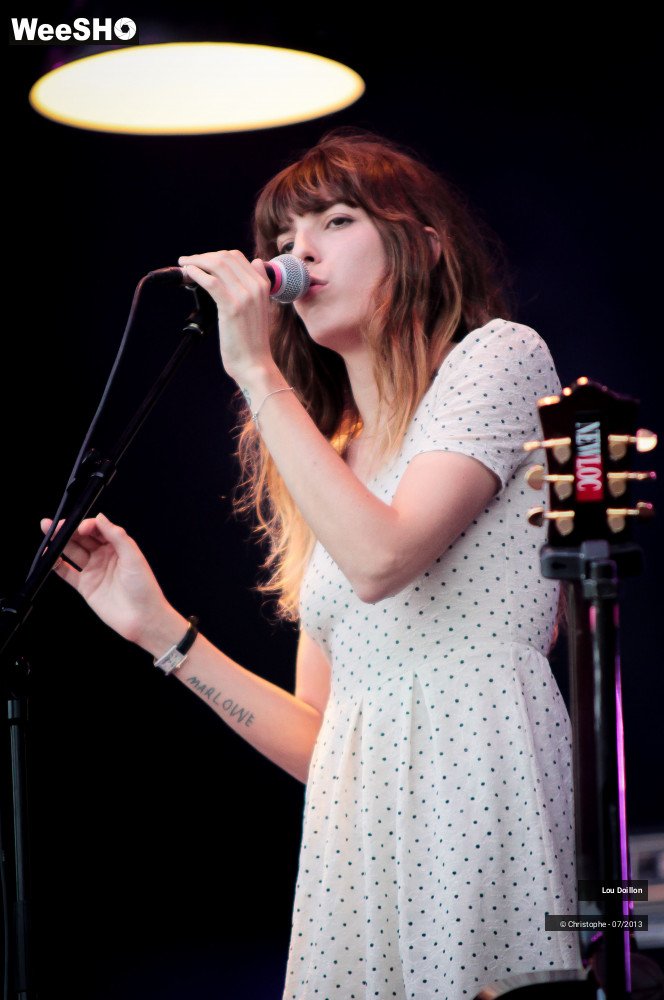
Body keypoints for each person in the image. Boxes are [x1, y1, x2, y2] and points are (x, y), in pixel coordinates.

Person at [42, 127, 583, 999]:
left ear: (423, 246)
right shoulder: (329, 457)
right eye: (285, 239)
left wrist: (256, 370)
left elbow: (381, 557)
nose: (298, 255)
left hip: (478, 786)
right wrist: (159, 631)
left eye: (335, 221)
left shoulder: (500, 356)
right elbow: (322, 739)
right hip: (355, 833)